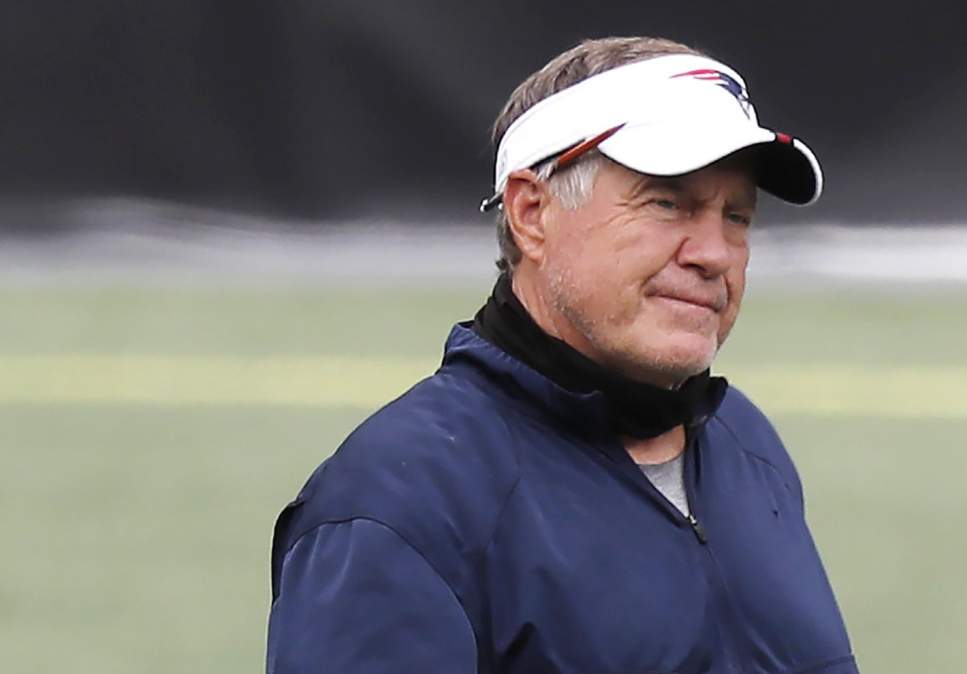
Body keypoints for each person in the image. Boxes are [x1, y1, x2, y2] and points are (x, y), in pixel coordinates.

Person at [267, 36, 857, 674]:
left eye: (736, 217)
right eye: (666, 203)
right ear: (531, 213)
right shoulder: (403, 504)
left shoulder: (743, 442)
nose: (713, 253)